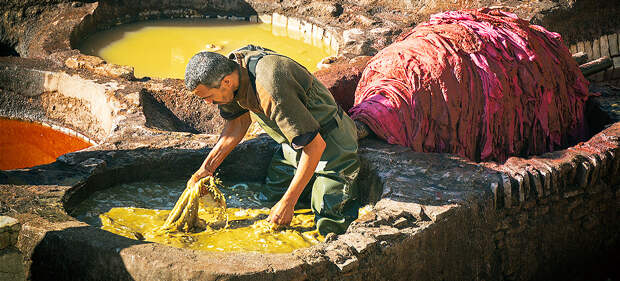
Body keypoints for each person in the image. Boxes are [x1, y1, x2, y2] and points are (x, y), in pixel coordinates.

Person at [184, 45, 360, 235]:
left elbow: (316, 146)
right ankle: (303, 191)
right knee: (268, 199)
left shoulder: (270, 86)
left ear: (226, 81)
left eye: (209, 97)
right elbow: (237, 124)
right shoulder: (232, 71)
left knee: (330, 221)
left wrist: (288, 202)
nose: (208, 103)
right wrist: (206, 168)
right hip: (293, 144)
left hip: (330, 142)